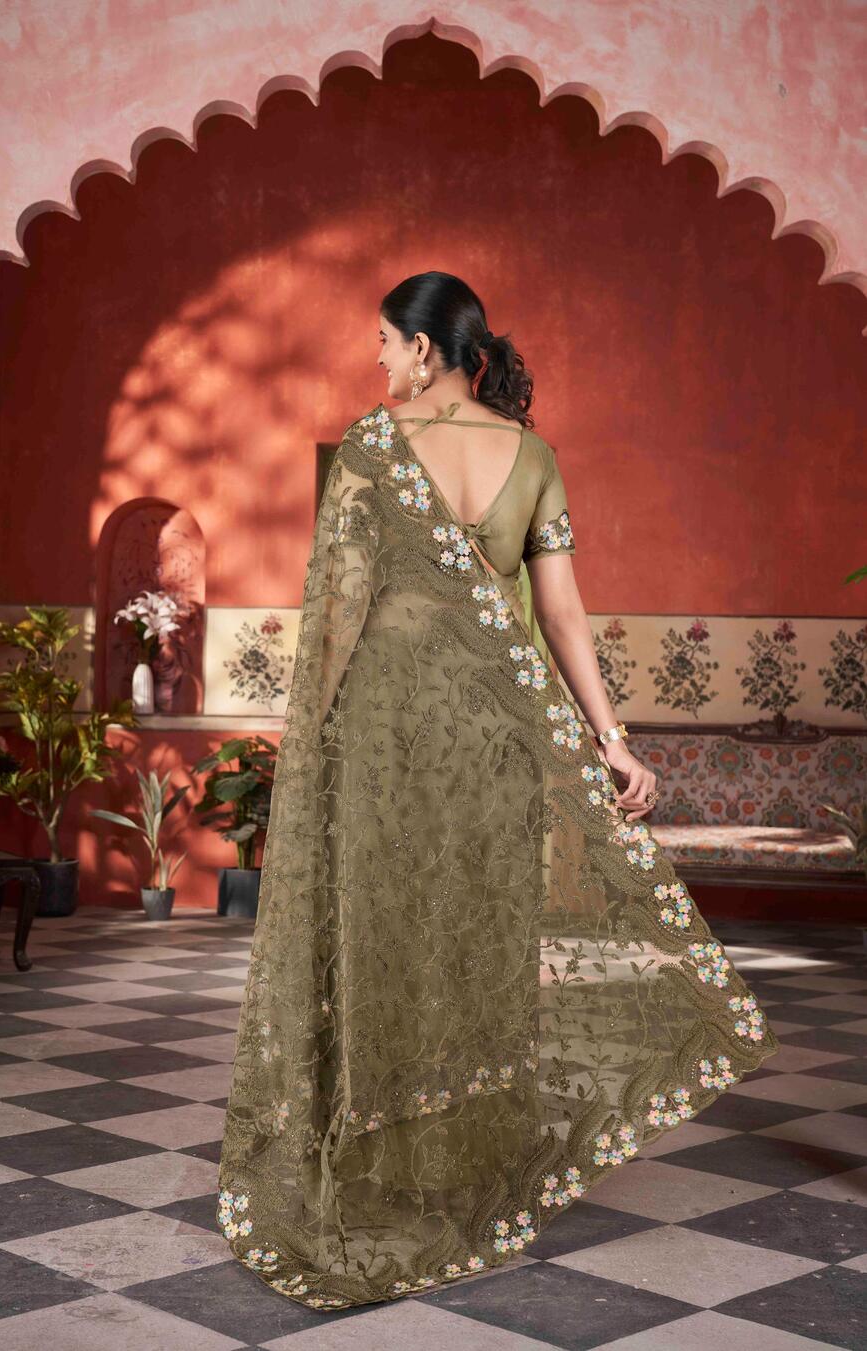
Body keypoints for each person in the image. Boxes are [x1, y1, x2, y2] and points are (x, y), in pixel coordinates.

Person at [216, 271, 779, 1311]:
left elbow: (338, 614)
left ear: (425, 350)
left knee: (384, 941)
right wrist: (613, 740)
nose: (377, 360)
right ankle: (470, 1168)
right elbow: (561, 612)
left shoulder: (372, 450)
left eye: (384, 341)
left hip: (385, 742)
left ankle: (377, 1161)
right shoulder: (532, 454)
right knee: (479, 939)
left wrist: (312, 753)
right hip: (498, 744)